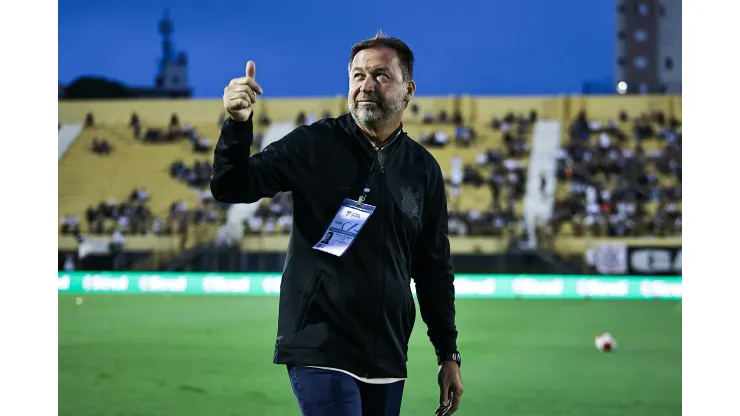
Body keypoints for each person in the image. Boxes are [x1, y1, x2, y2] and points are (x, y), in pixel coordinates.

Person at [211, 33, 464, 416]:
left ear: (408, 89)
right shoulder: (314, 144)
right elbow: (231, 186)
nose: (366, 85)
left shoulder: (423, 169)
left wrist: (449, 354)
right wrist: (236, 126)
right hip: (319, 342)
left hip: (386, 353)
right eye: (358, 75)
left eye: (380, 75)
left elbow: (432, 270)